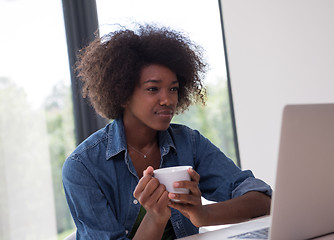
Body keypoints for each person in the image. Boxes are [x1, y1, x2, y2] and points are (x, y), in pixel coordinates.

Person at [62, 23, 272, 240]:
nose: (168, 100)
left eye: (173, 89)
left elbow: (262, 199)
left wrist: (203, 214)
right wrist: (155, 217)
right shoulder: (83, 167)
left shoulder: (188, 142)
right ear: (122, 93)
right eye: (153, 89)